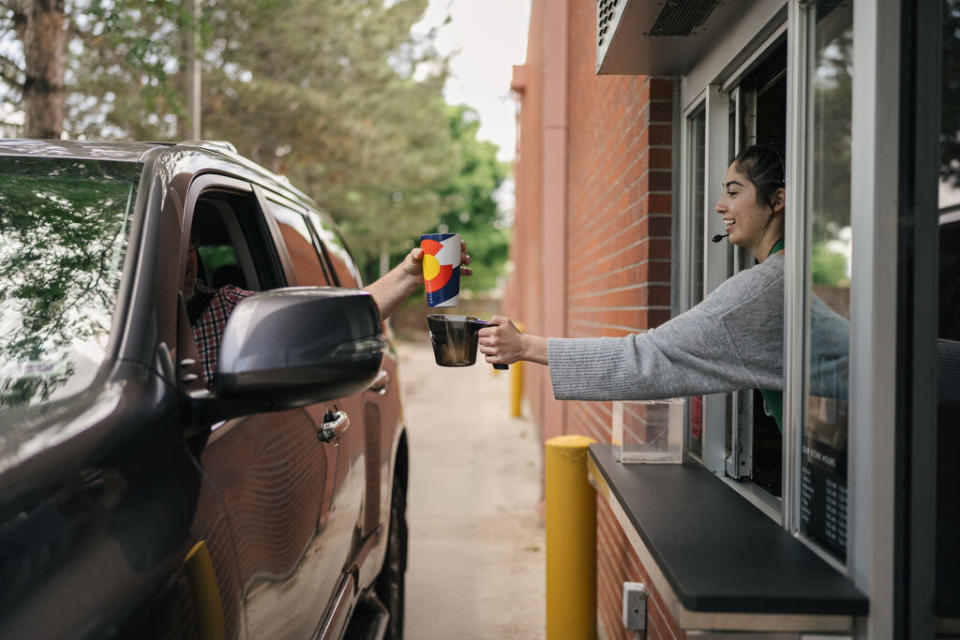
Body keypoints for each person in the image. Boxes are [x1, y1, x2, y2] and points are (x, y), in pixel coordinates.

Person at [478, 144, 794, 425]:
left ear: (777, 200)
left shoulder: (767, 287)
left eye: (733, 192)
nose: (719, 206)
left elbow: (648, 358)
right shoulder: (790, 274)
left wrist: (524, 346)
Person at [185, 239, 472, 389]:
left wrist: (409, 278)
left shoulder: (233, 309)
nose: (186, 256)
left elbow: (331, 320)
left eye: (191, 242)